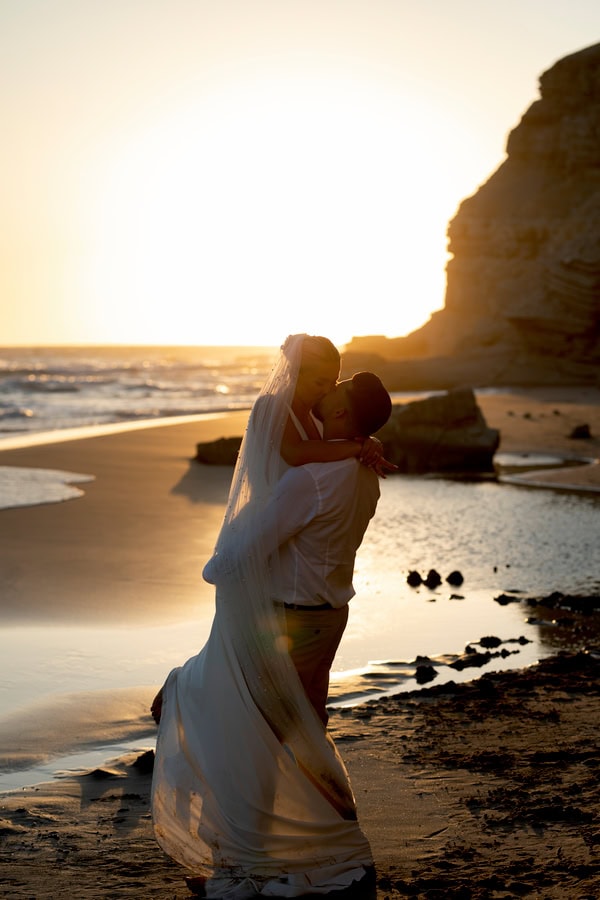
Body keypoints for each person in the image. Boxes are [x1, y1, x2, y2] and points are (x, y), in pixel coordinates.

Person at [151, 336, 392, 898]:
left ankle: (259, 857)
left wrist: (217, 570)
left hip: (288, 621)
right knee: (306, 732)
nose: (324, 396)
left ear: (343, 418)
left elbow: (243, 551)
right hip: (331, 618)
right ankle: (319, 846)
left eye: (333, 398)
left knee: (255, 734)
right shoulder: (364, 472)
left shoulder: (313, 478)